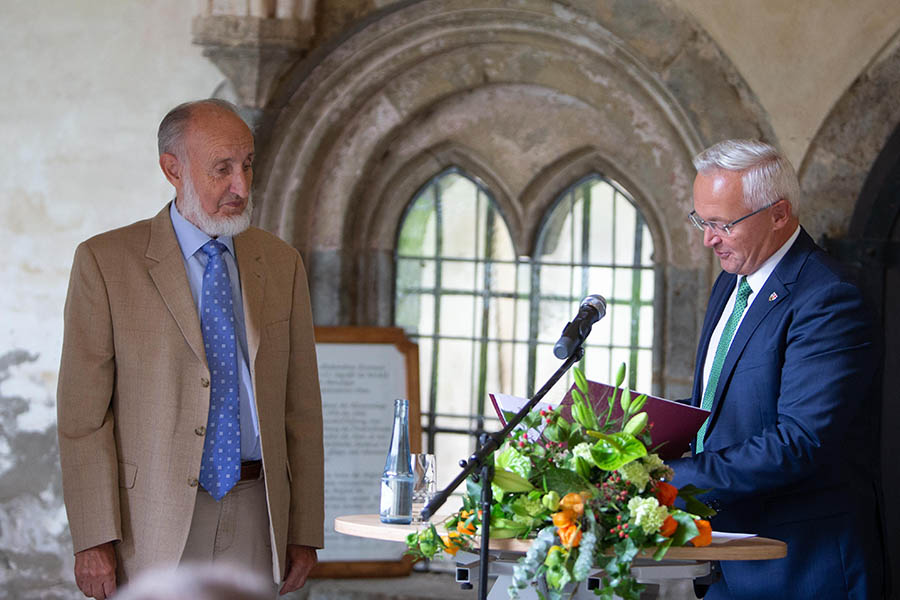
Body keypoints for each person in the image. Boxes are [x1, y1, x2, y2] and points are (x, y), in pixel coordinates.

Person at [57, 99, 324, 600]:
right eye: (222, 168)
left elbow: (301, 409)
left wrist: (304, 529)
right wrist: (93, 538)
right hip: (147, 523)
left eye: (247, 165)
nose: (241, 186)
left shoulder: (281, 262)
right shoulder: (105, 262)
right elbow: (82, 417)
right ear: (172, 169)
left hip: (257, 510)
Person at [669, 139, 885, 599]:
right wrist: (632, 438)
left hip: (803, 566)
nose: (708, 239)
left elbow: (799, 441)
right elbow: (719, 406)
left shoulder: (829, 298)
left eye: (722, 224)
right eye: (700, 220)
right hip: (727, 556)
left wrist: (669, 477)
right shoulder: (731, 283)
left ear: (779, 213)